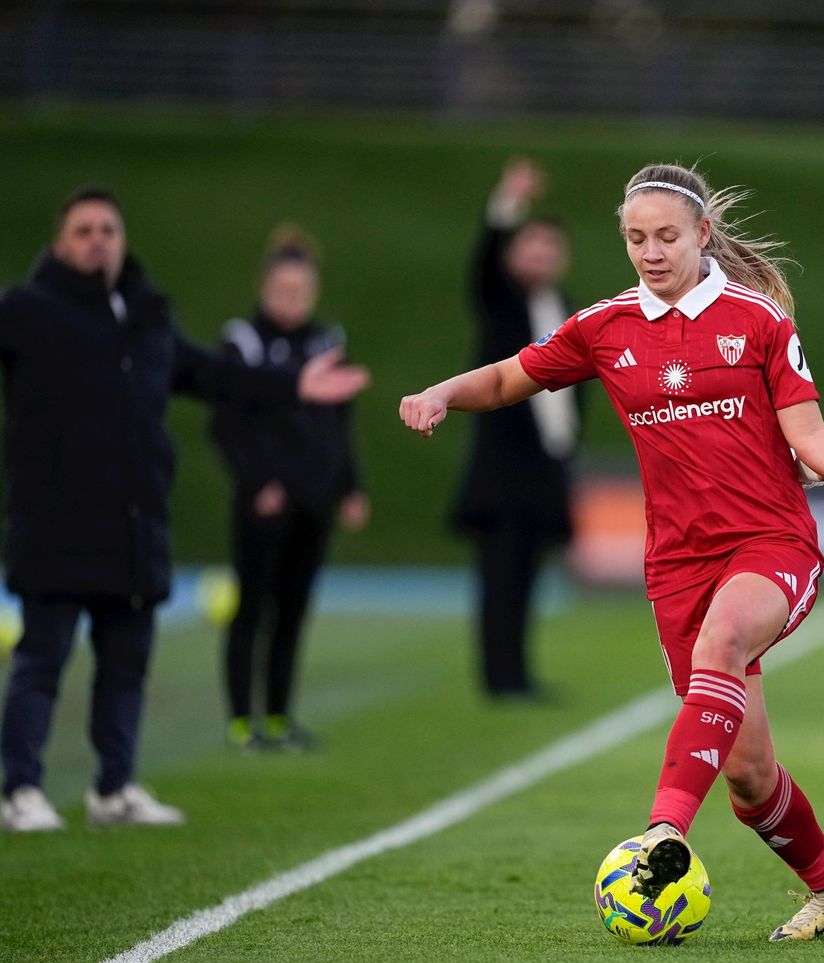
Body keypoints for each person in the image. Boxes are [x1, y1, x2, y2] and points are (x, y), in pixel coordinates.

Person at [401, 162, 824, 940]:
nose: (650, 252)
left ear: (701, 236)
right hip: (678, 566)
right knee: (750, 778)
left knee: (725, 640)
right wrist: (443, 393)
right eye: (634, 238)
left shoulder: (759, 321)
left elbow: (811, 438)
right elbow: (511, 377)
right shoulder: (604, 326)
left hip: (771, 542)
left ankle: (662, 833)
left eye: (665, 236)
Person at [0, 187, 368, 832]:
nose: (97, 239)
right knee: (43, 659)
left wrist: (293, 384)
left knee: (126, 661)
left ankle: (114, 788)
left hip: (133, 525)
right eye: (82, 229)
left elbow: (209, 376)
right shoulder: (27, 312)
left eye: (108, 228)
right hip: (56, 520)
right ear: (59, 244)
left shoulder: (144, 318)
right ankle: (20, 790)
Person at [211, 227, 369, 751]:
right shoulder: (243, 342)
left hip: (314, 498)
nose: (291, 300)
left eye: (301, 291)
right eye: (282, 290)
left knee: (294, 609)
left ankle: (279, 717)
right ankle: (241, 721)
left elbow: (338, 424)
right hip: (264, 501)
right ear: (263, 286)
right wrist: (258, 482)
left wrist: (349, 487)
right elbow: (227, 424)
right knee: (252, 608)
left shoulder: (326, 343)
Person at [452, 159, 580, 700]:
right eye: (530, 246)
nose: (540, 256)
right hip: (503, 472)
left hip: (546, 468)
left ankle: (519, 675)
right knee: (499, 580)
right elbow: (483, 266)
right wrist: (507, 202)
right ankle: (498, 678)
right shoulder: (503, 303)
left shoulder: (566, 310)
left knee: (528, 581)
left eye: (549, 248)